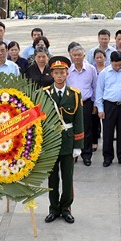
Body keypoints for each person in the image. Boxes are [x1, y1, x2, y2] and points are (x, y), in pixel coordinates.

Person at [44, 56, 84, 224]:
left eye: (62, 73)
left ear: (67, 74)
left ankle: (66, 208)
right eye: (56, 73)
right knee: (52, 178)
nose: (59, 76)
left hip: (68, 141)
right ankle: (53, 208)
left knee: (67, 178)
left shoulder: (75, 94)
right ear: (52, 74)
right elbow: (41, 121)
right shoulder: (44, 93)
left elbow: (79, 120)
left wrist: (78, 145)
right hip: (51, 142)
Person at [95, 51, 121, 168]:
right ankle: (108, 157)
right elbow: (99, 92)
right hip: (109, 106)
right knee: (107, 133)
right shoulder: (104, 73)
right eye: (116, 65)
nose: (118, 67)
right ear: (111, 62)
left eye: (120, 65)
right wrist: (100, 109)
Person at [67, 44, 97, 167]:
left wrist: (95, 104)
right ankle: (74, 155)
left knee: (87, 130)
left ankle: (86, 155)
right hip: (71, 104)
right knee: (72, 129)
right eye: (75, 55)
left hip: (86, 103)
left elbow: (95, 87)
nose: (77, 57)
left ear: (84, 56)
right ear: (71, 56)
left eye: (80, 55)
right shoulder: (67, 70)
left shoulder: (91, 69)